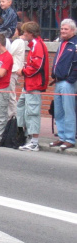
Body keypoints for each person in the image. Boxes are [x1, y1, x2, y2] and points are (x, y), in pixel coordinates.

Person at [16, 22, 49, 152]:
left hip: (34, 84)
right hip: (29, 84)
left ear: (30, 33)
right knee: (21, 107)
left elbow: (36, 66)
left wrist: (23, 71)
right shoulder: (35, 45)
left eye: (25, 32)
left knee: (32, 112)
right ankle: (26, 135)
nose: (24, 34)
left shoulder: (37, 45)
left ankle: (34, 141)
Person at [49, 19, 77, 150]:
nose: (63, 31)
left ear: (73, 30)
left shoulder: (75, 44)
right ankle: (62, 137)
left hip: (67, 83)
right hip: (58, 82)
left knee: (69, 111)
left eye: (66, 29)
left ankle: (70, 139)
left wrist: (70, 79)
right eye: (61, 29)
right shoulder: (62, 43)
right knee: (58, 112)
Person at [7, 23, 27, 118]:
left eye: (15, 30)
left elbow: (9, 53)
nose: (13, 32)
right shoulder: (20, 42)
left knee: (11, 95)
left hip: (13, 70)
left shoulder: (18, 41)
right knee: (10, 94)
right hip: (15, 69)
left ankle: (13, 116)